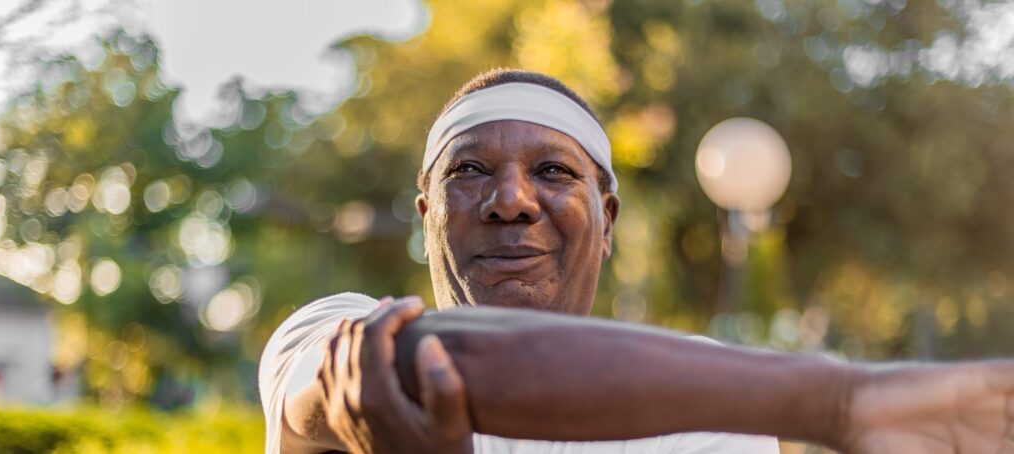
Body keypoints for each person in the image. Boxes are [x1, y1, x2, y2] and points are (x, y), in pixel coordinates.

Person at [260, 69, 1014, 454]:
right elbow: (398, 366)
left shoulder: (717, 408)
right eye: (469, 172)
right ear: (427, 218)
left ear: (607, 217)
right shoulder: (330, 327)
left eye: (554, 172)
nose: (512, 199)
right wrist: (838, 403)